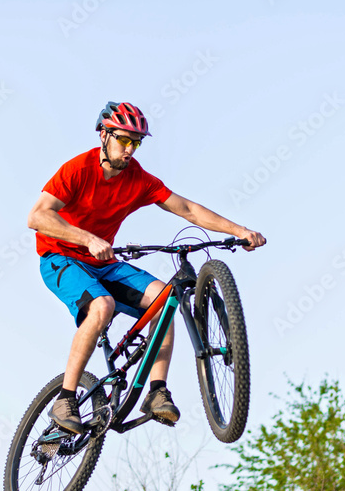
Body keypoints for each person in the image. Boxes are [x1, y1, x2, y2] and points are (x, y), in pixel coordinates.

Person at [27, 101, 266, 434]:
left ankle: (156, 392)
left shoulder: (137, 179)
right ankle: (65, 398)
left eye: (136, 143)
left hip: (104, 264)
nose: (130, 149)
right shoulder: (78, 169)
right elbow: (37, 217)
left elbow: (188, 209)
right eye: (124, 140)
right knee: (102, 305)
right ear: (104, 136)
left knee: (165, 301)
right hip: (60, 259)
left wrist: (239, 230)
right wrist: (88, 239)